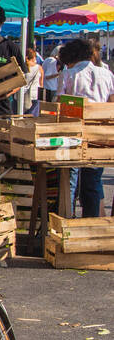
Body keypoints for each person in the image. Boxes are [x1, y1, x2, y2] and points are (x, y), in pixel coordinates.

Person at [57, 38, 114, 217]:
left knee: (70, 181)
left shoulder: (68, 74)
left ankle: (69, 220)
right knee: (93, 181)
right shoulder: (107, 74)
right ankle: (91, 224)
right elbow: (111, 104)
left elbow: (59, 105)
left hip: (74, 132)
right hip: (99, 134)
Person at [23, 48, 44, 116]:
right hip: (35, 95)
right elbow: (41, 84)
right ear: (34, 57)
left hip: (21, 96)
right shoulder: (39, 68)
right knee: (31, 120)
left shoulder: (21, 67)